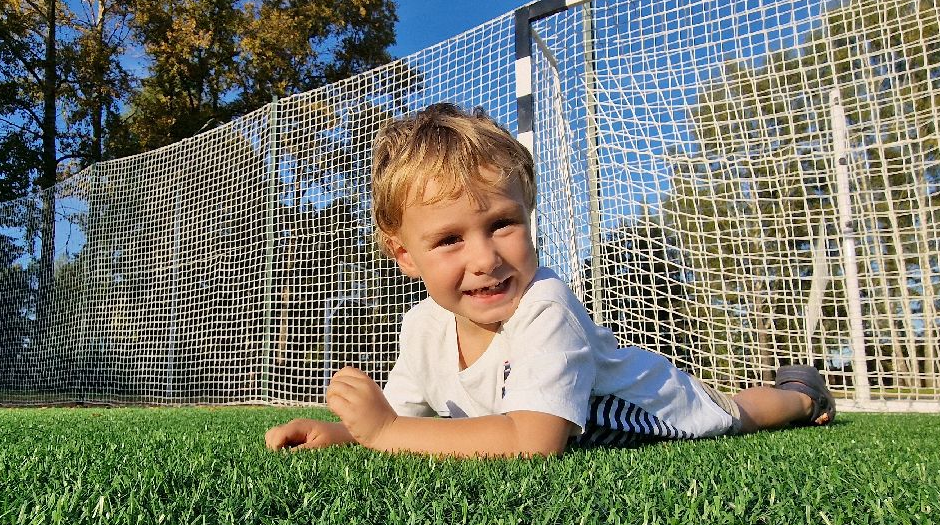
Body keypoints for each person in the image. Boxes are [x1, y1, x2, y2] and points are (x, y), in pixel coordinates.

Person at [264, 103, 834, 458]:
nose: (486, 258)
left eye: (503, 224)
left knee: (734, 415)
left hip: (657, 405)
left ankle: (802, 394)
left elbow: (530, 442)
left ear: (528, 214)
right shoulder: (422, 327)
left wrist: (384, 432)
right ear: (404, 255)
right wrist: (351, 432)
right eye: (449, 240)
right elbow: (410, 424)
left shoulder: (545, 305)